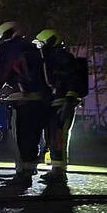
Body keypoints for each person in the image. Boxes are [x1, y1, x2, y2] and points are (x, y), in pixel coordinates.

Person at [0, 21, 52, 180]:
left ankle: (22, 172)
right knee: (33, 135)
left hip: (22, 99)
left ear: (6, 34)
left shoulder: (9, 47)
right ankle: (30, 169)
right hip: (40, 99)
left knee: (19, 136)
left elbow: (3, 69)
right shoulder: (32, 48)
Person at [33, 29, 84, 182]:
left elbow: (71, 80)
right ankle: (56, 169)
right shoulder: (51, 58)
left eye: (41, 44)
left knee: (58, 137)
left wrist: (69, 100)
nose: (39, 48)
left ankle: (58, 172)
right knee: (54, 136)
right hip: (56, 103)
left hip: (62, 103)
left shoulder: (63, 58)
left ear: (49, 42)